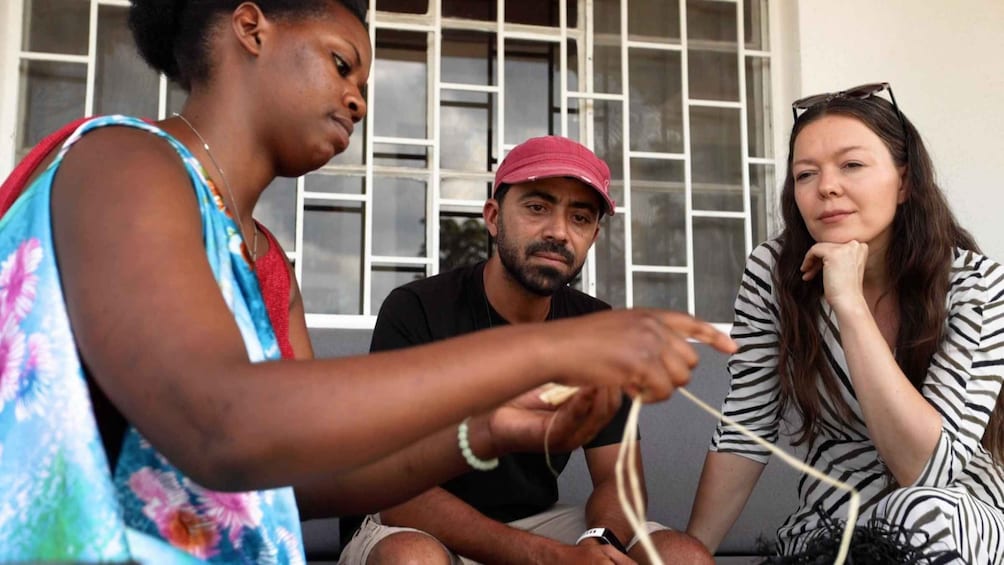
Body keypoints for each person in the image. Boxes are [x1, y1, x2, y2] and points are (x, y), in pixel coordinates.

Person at [0, 0, 737, 563]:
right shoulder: (123, 161)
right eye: (340, 63)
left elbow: (301, 476)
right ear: (252, 28)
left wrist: (490, 430)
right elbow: (218, 420)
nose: (357, 98)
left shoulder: (262, 259)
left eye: (363, 81)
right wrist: (555, 349)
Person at [337, 136, 713, 565]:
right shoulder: (418, 310)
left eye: (580, 217)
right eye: (537, 208)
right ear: (494, 217)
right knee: (413, 560)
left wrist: (598, 541)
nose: (558, 232)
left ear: (593, 235)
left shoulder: (599, 330)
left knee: (684, 557)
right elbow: (397, 494)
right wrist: (550, 558)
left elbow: (618, 478)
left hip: (534, 521)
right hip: (407, 523)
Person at [685, 82, 1004, 563]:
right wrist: (692, 550)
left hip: (956, 524)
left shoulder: (977, 285)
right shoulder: (775, 273)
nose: (826, 186)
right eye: (805, 173)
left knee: (921, 514)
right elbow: (746, 426)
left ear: (905, 181)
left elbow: (926, 471)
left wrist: (849, 303)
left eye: (851, 165)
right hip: (832, 524)